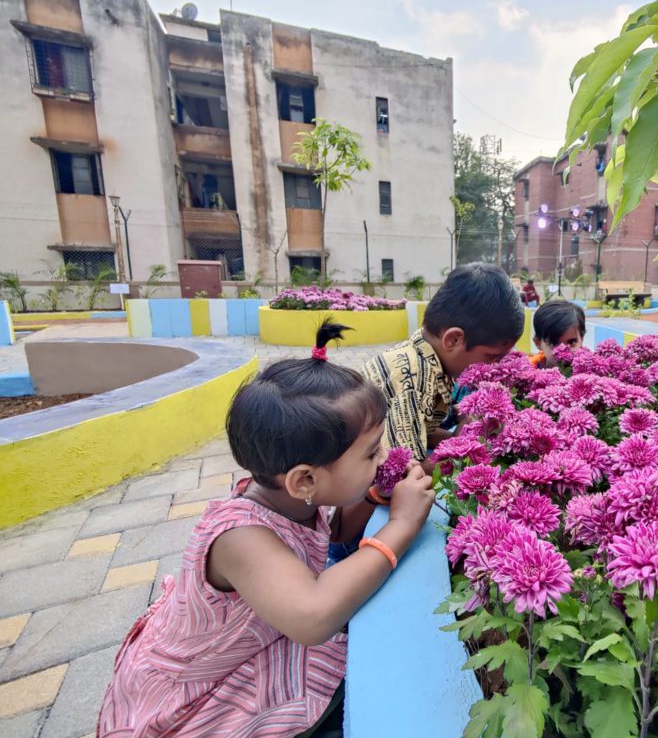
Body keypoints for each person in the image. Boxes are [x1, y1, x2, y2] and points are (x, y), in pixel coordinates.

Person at [98, 323, 435, 737]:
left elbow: (330, 533)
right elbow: (313, 617)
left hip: (244, 645)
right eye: (371, 452)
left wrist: (375, 497)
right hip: (193, 692)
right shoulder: (240, 537)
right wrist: (400, 526)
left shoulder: (291, 497)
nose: (383, 456)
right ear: (305, 480)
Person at [363, 262, 524, 473]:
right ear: (454, 340)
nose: (495, 367)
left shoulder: (429, 360)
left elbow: (421, 432)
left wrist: (461, 440)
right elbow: (401, 471)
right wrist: (463, 454)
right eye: (492, 357)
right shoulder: (413, 381)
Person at [530, 299, 587, 368]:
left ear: (582, 339)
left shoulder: (594, 371)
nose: (564, 352)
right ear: (538, 343)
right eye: (554, 343)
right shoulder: (527, 372)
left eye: (572, 342)